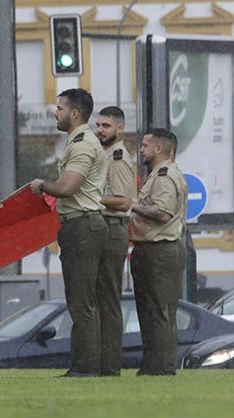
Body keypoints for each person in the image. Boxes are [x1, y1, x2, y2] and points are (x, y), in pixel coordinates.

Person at [31, 89, 109, 377]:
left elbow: (66, 188)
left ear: (74, 113)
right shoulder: (80, 141)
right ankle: (85, 365)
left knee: (81, 302)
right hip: (83, 225)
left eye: (60, 108)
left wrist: (41, 185)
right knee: (82, 301)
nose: (55, 112)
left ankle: (85, 368)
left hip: (82, 226)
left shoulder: (81, 144)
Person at [129, 128, 187, 376]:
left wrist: (133, 206)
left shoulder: (164, 176)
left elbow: (163, 213)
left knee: (160, 312)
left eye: (145, 145)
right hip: (153, 249)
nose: (141, 149)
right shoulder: (159, 174)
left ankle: (162, 368)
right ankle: (154, 366)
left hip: (160, 249)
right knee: (153, 311)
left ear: (160, 149)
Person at [95, 105, 136, 376]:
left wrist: (90, 199)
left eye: (106, 126)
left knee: (108, 299)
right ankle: (100, 361)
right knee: (98, 298)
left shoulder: (119, 158)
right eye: (98, 126)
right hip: (103, 228)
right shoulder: (104, 154)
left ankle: (109, 366)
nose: (100, 130)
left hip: (112, 228)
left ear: (119, 129)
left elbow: (122, 201)